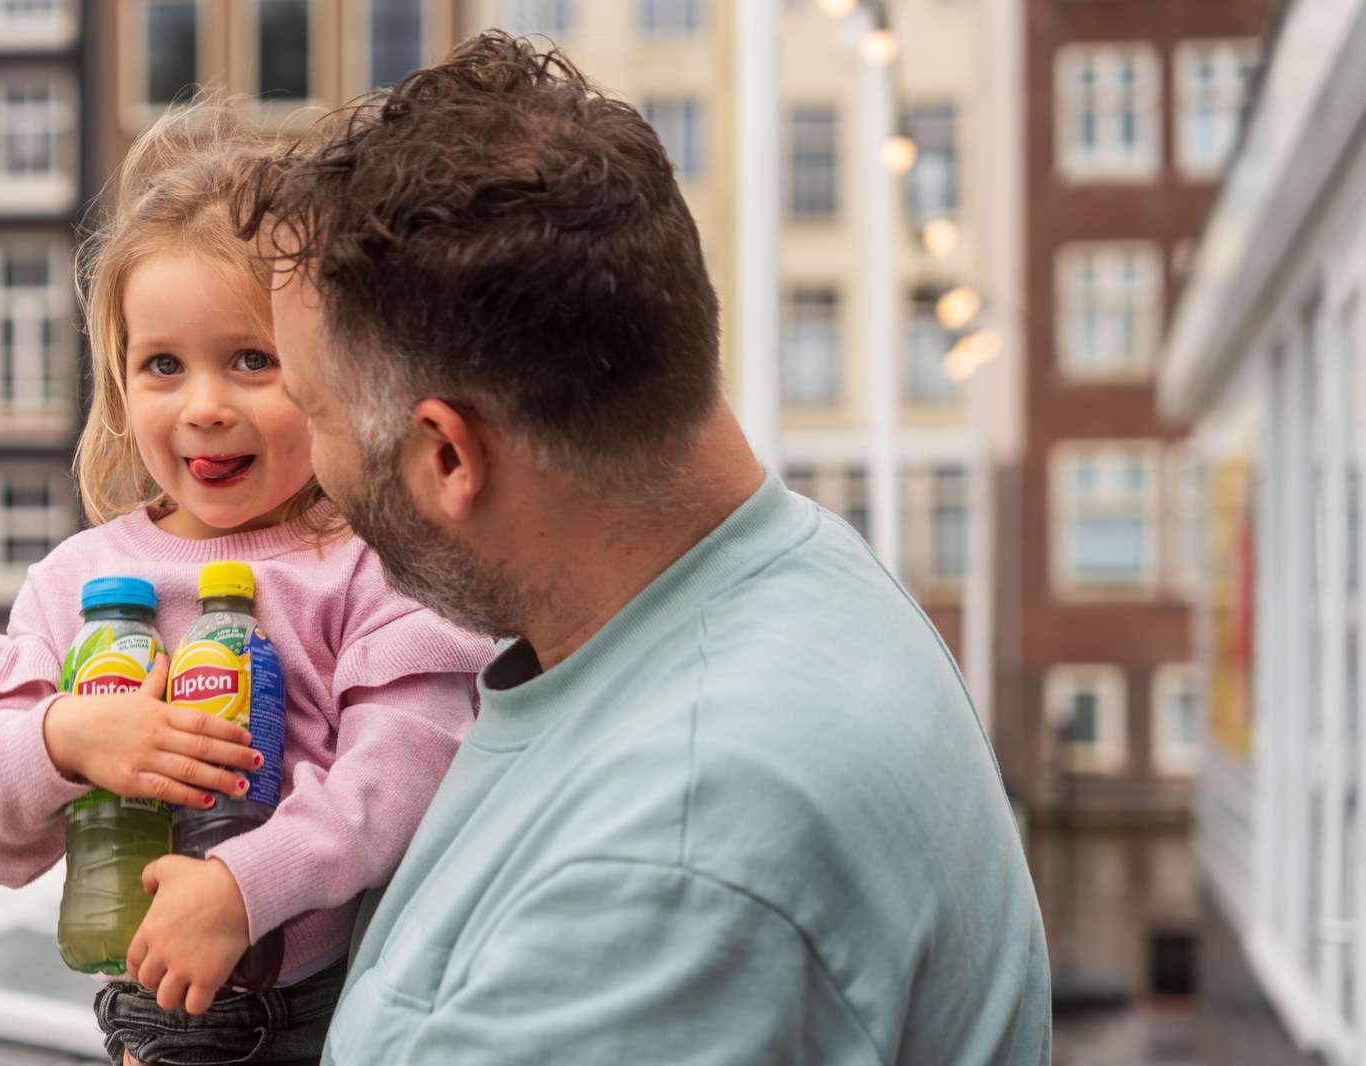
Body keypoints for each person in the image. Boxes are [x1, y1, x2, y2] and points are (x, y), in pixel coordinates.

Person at [241, 33, 1053, 1065]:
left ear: (447, 454)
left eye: (312, 410)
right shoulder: (788, 573)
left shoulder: (670, 864)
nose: (310, 468)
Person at [0, 99, 495, 1066]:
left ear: (334, 371)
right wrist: (64, 738)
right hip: (145, 1016)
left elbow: (408, 770)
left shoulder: (368, 564)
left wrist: (247, 883)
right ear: (118, 386)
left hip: (322, 1013)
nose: (204, 407)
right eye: (163, 365)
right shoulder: (76, 580)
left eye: (251, 361)